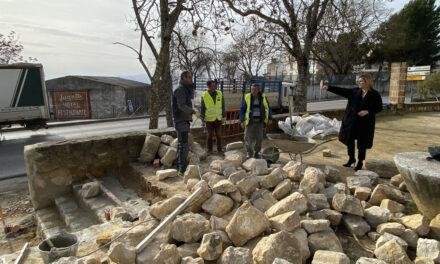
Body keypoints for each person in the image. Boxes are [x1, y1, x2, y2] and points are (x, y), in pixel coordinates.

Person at [320, 74, 383, 171]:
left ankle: (360, 162)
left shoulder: (375, 94)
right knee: (349, 140)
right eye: (358, 81)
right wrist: (328, 87)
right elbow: (342, 91)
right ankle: (351, 159)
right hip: (351, 121)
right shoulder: (354, 91)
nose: (358, 83)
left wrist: (367, 111)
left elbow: (379, 108)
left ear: (367, 82)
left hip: (365, 124)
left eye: (361, 81)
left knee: (362, 144)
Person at [172, 71, 200, 175]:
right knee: (183, 145)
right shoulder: (180, 90)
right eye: (189, 77)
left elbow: (189, 102)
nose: (191, 79)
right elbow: (181, 106)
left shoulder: (186, 89)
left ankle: (180, 165)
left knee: (182, 144)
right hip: (180, 120)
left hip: (184, 120)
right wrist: (193, 112)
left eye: (191, 77)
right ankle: (181, 168)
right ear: (183, 78)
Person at [239, 83, 271, 159]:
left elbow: (268, 108)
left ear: (258, 90)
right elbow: (242, 109)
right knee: (247, 138)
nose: (253, 91)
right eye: (252, 89)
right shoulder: (247, 97)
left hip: (260, 122)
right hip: (250, 122)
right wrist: (242, 120)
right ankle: (249, 153)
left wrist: (270, 118)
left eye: (255, 89)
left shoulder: (263, 97)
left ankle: (257, 153)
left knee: (259, 138)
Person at [200, 80, 226, 154]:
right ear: (208, 86)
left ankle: (219, 149)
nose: (215, 87)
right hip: (209, 119)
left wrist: (224, 116)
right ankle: (209, 150)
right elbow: (203, 107)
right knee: (209, 135)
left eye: (215, 86)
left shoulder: (220, 93)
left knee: (219, 134)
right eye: (213, 86)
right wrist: (202, 118)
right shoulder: (204, 95)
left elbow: (222, 105)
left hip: (218, 118)